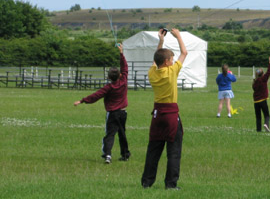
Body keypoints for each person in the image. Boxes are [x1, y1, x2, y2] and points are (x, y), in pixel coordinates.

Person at [141, 28, 188, 190]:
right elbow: (185, 52)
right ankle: (171, 184)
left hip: (157, 115)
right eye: (172, 59)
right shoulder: (172, 72)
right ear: (167, 62)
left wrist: (160, 40)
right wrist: (178, 36)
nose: (173, 60)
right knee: (173, 151)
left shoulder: (152, 73)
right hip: (171, 116)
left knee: (153, 150)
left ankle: (147, 182)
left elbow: (156, 58)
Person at [74, 44, 130, 164]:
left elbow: (95, 96)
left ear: (109, 77)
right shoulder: (123, 81)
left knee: (110, 134)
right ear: (120, 75)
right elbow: (125, 67)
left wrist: (82, 100)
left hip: (112, 114)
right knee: (122, 133)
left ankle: (108, 155)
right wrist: (121, 53)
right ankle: (125, 154)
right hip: (123, 113)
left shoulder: (108, 87)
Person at [253, 56, 270, 132]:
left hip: (256, 102)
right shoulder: (263, 79)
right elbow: (269, 72)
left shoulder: (255, 81)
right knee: (267, 115)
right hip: (263, 101)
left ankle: (258, 130)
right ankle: (266, 124)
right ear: (262, 74)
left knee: (258, 117)